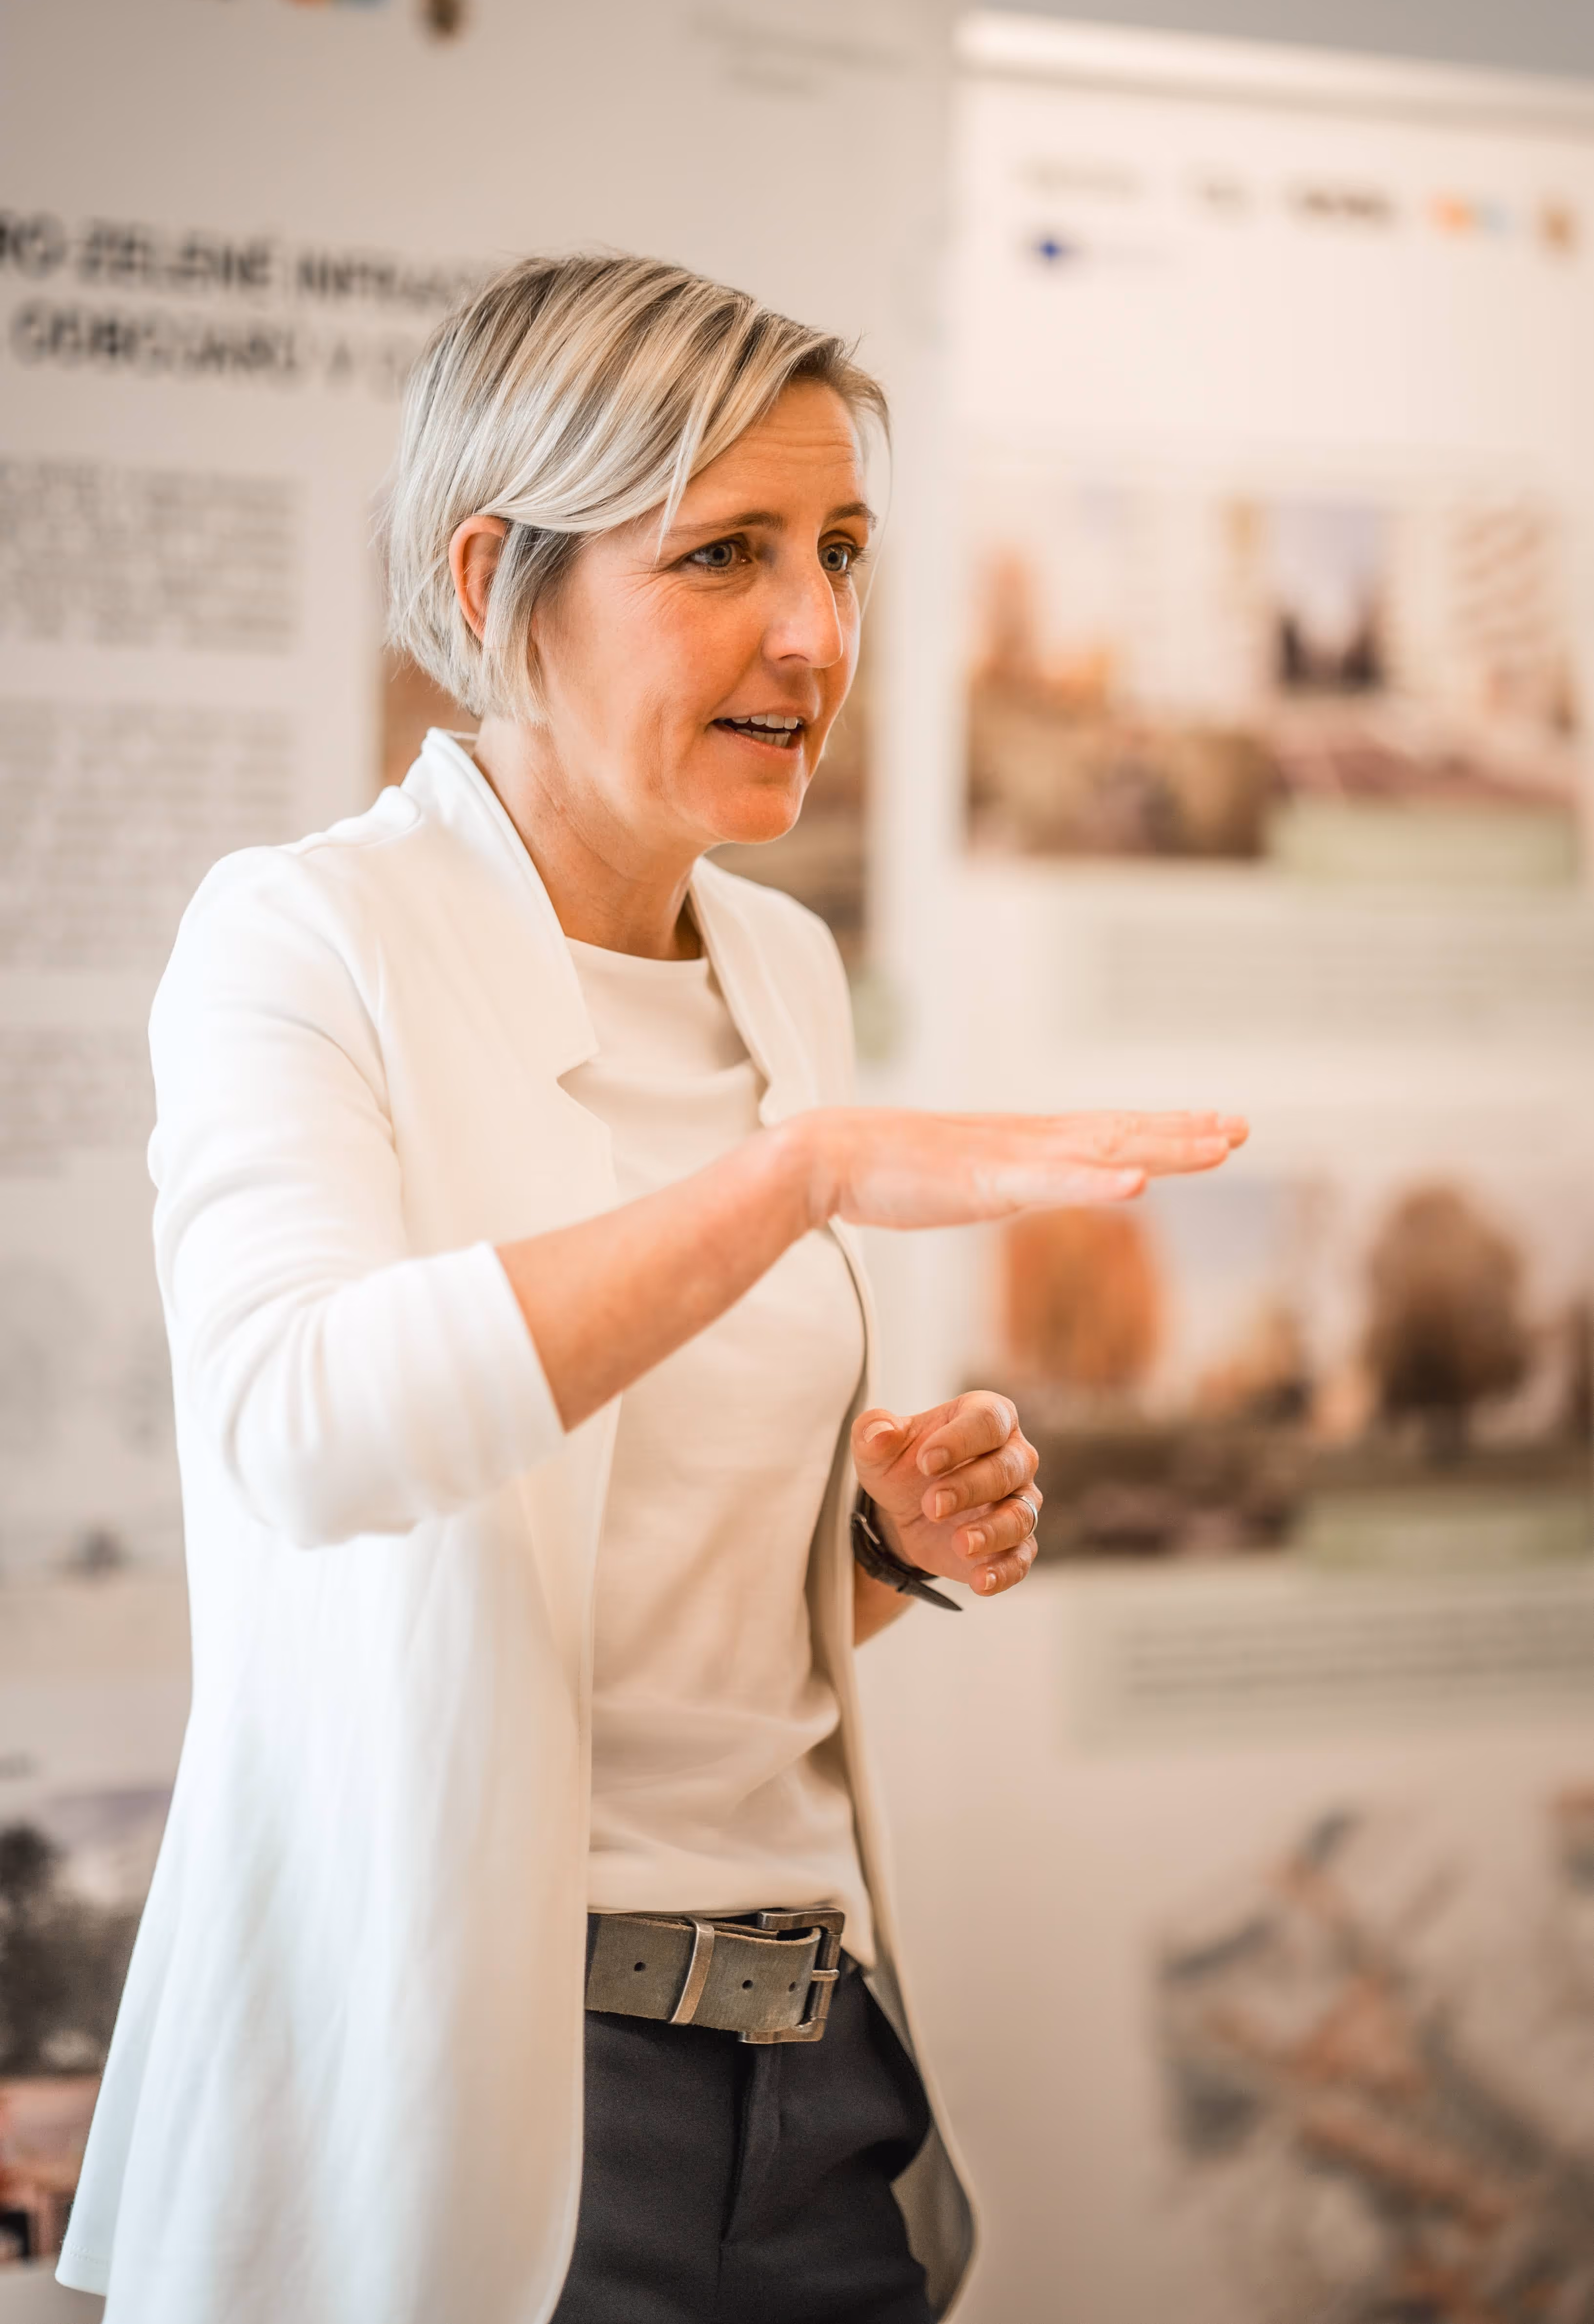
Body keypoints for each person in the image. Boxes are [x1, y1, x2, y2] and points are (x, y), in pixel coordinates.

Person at [58, 254, 1245, 2324]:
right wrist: (798, 1181)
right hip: (486, 2087)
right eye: (724, 554)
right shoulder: (303, 938)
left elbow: (628, 1604)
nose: (817, 634)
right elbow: (300, 1432)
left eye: (840, 551)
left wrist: (869, 1548)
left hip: (812, 2079)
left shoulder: (780, 965)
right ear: (497, 581)